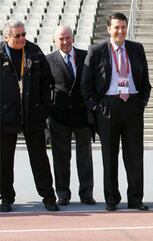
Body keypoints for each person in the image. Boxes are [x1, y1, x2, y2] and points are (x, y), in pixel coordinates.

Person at [81, 13, 151, 211]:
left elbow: (145, 81)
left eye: (123, 27)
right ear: (108, 29)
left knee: (135, 156)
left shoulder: (137, 48)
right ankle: (111, 199)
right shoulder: (97, 51)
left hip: (132, 106)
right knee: (109, 156)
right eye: (116, 27)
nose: (120, 31)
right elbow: (86, 86)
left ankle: (136, 198)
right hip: (108, 108)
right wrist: (96, 106)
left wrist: (141, 102)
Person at [0, 19, 59, 212]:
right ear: (6, 36)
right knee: (4, 159)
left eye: (24, 34)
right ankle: (6, 197)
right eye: (17, 36)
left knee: (40, 158)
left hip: (32, 113)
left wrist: (44, 109)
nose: (22, 38)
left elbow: (47, 83)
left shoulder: (34, 52)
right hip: (5, 115)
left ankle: (48, 196)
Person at [46, 26, 95, 206]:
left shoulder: (86, 56)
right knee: (60, 158)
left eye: (67, 38)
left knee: (85, 158)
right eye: (61, 39)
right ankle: (63, 193)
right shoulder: (48, 60)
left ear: (73, 38)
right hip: (59, 116)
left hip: (82, 115)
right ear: (55, 41)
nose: (65, 42)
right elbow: (46, 88)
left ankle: (86, 193)